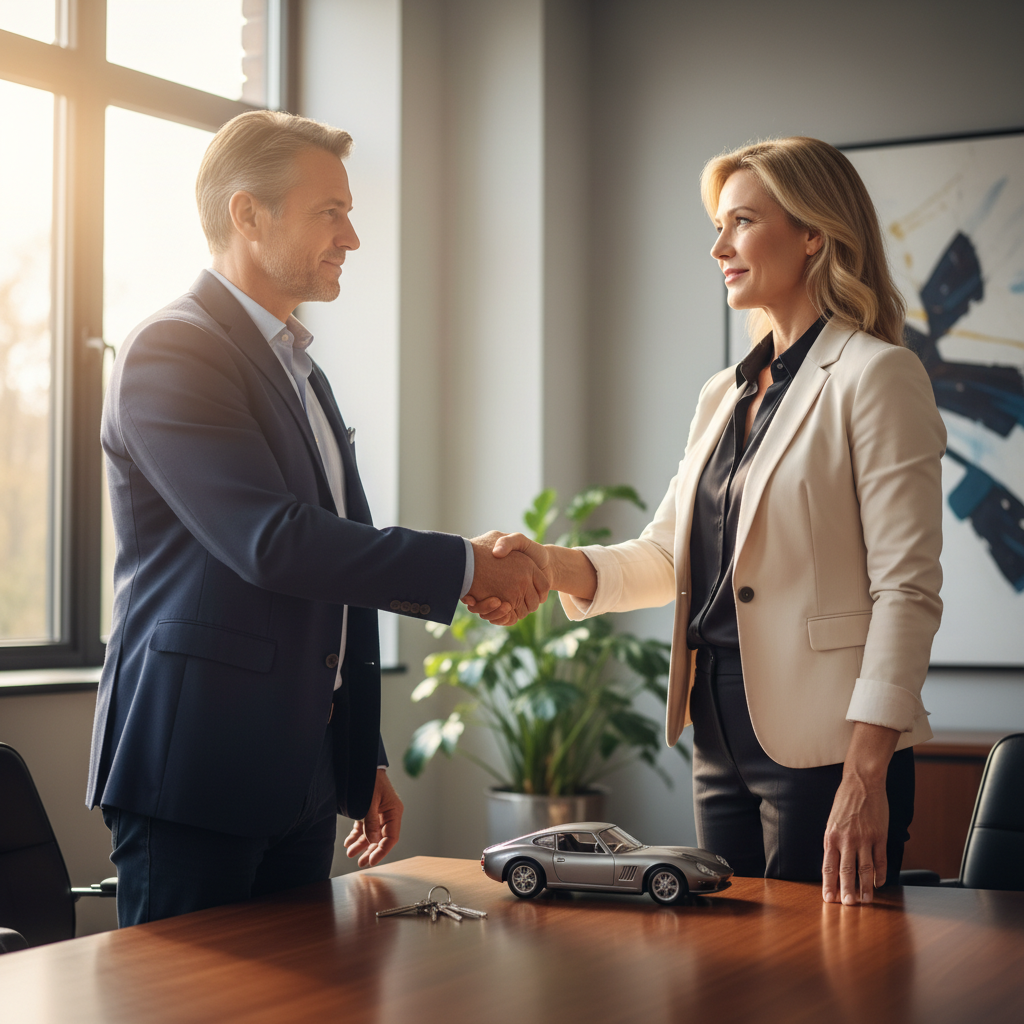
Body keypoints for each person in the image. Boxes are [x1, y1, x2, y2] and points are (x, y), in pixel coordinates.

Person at [87, 110, 545, 925]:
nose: (353, 238)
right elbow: (273, 543)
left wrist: (355, 751)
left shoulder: (300, 369)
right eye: (330, 211)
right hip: (196, 769)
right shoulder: (172, 351)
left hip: (298, 775)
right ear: (247, 213)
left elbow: (328, 576)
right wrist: (469, 566)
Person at [474, 137, 945, 907]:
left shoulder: (877, 375)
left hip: (828, 746)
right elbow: (668, 555)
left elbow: (908, 591)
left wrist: (867, 773)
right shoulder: (725, 393)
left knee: (827, 982)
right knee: (721, 971)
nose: (719, 246)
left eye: (742, 223)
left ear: (813, 234)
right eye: (719, 225)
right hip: (717, 731)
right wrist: (546, 563)